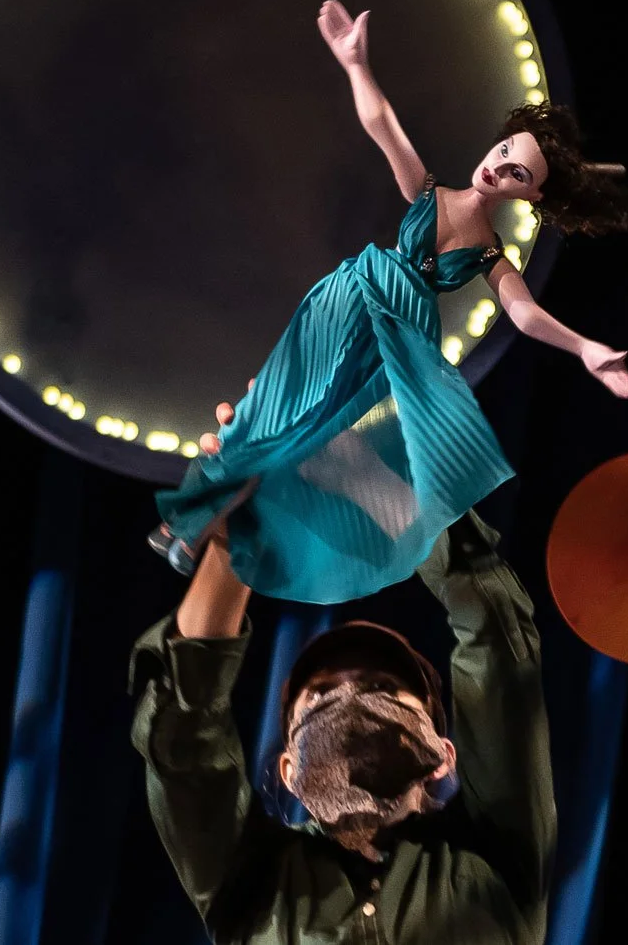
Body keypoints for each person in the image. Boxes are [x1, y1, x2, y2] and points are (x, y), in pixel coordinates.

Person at [152, 0, 628, 605]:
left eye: (518, 174)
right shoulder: (429, 193)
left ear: (533, 194)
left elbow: (521, 312)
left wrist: (584, 347)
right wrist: (356, 65)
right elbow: (382, 124)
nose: (499, 169)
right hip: (347, 302)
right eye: (503, 152)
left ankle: (212, 527)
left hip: (397, 341)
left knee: (310, 435)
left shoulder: (490, 252)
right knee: (269, 410)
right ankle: (185, 521)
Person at [131, 399, 554, 944]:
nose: (350, 690)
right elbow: (185, 740)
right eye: (321, 693)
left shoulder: (496, 859)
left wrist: (368, 477)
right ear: (287, 771)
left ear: (443, 755)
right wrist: (234, 540)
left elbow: (498, 641)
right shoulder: (251, 881)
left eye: (383, 687)